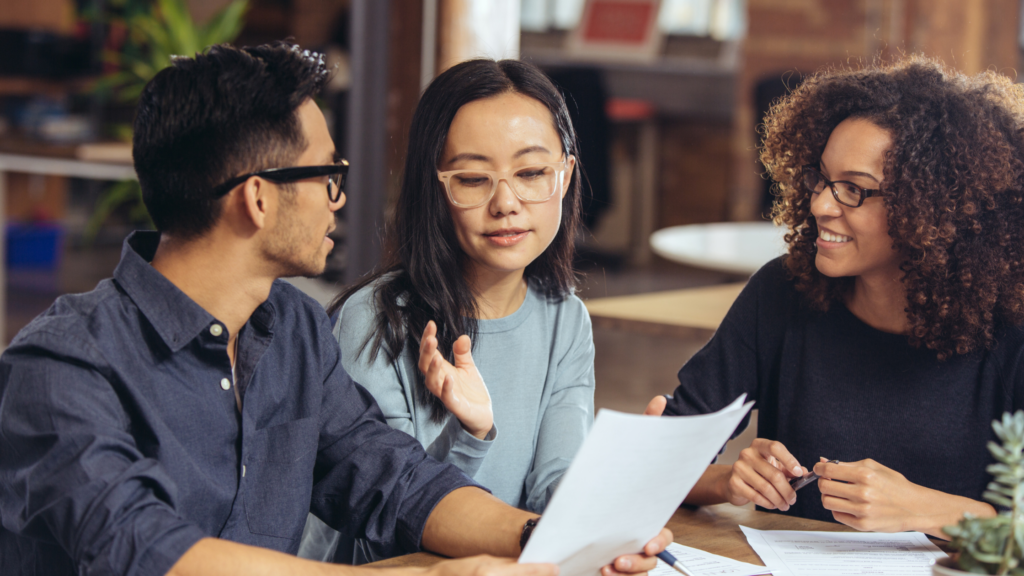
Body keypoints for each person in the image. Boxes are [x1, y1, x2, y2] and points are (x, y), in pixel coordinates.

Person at [0, 43, 671, 576]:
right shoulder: (62, 365)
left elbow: (393, 478)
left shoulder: (287, 328)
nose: (337, 198)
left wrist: (559, 542)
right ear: (258, 199)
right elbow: (141, 552)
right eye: (327, 175)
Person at [645, 55, 1024, 539]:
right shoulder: (782, 293)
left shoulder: (1010, 330)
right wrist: (730, 481)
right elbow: (660, 462)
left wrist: (929, 512)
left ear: (933, 208)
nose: (821, 204)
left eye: (853, 189)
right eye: (821, 179)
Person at [300, 58, 595, 563]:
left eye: (530, 173)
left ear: (564, 177)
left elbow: (557, 484)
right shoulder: (373, 321)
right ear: (435, 187)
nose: (506, 202)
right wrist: (471, 434)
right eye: (474, 179)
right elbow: (388, 519)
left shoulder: (565, 318)